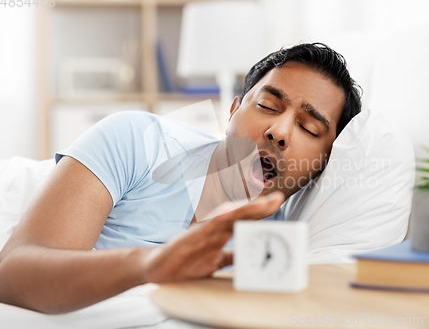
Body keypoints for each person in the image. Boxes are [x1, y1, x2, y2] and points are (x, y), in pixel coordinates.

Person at [0, 43, 361, 314]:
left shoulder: (284, 247)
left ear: (324, 162)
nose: (279, 131)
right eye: (267, 106)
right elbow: (13, 274)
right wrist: (150, 265)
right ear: (232, 111)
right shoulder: (137, 139)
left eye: (308, 127)